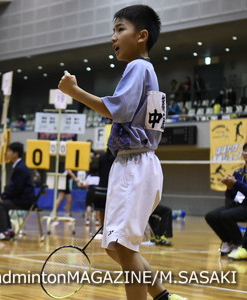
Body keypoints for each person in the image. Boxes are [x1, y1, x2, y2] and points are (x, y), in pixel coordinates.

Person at [58, 5, 185, 300]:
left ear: (141, 36)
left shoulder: (138, 67)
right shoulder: (145, 71)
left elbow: (116, 110)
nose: (112, 37)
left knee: (125, 248)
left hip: (135, 165)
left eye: (119, 29)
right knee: (116, 247)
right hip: (132, 164)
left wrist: (75, 92)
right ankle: (164, 297)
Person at [205, 142, 247, 257]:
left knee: (226, 215)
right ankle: (229, 242)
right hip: (239, 204)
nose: (246, 153)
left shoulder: (237, 179)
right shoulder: (238, 173)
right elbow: (232, 196)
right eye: (245, 151)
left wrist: (237, 184)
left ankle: (240, 244)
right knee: (211, 216)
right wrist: (229, 188)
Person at [0, 142, 35, 241]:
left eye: (9, 151)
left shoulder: (20, 168)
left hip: (24, 201)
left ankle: (4, 232)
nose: (7, 153)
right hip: (20, 198)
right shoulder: (18, 166)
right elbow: (13, 187)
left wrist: (2, 197)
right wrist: (3, 195)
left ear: (15, 153)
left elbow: (16, 188)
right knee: (0, 202)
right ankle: (8, 231)